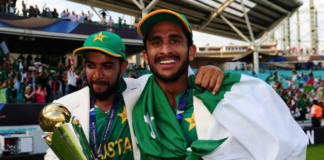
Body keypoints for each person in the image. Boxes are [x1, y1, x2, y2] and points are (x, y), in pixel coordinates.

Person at [131, 9, 308, 159]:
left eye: (175, 40)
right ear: (145, 56)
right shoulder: (134, 92)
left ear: (191, 52)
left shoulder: (223, 92)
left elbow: (290, 146)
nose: (166, 50)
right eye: (156, 42)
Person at [44, 31, 225, 160]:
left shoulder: (141, 88)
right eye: (91, 66)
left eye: (107, 66)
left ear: (123, 68)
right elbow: (54, 155)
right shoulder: (65, 106)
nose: (97, 75)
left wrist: (213, 70)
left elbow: (174, 74)